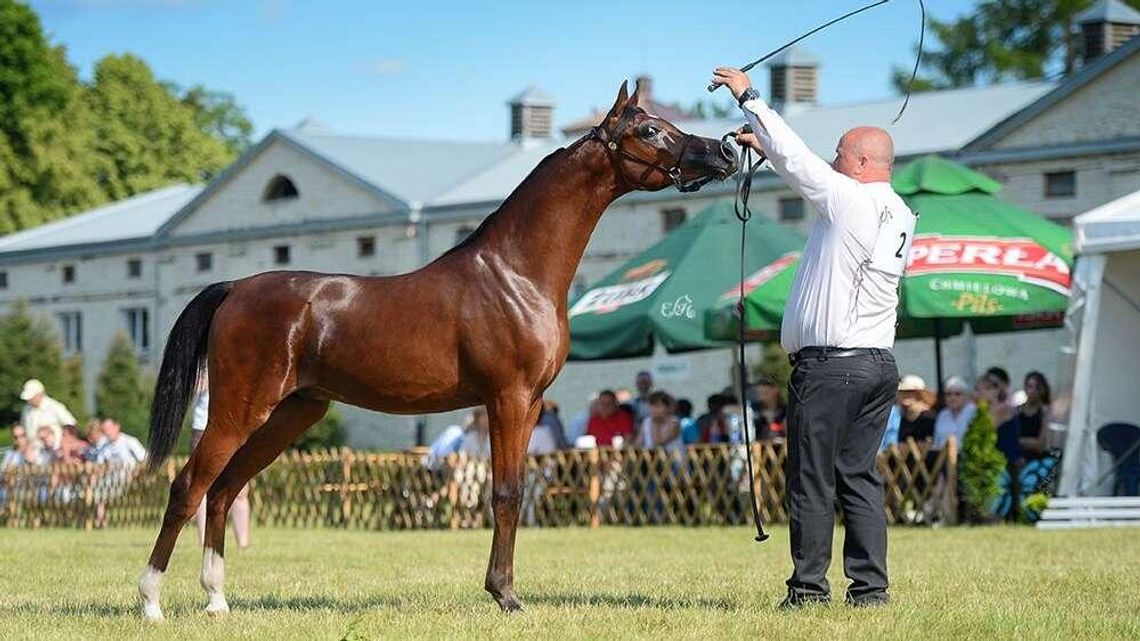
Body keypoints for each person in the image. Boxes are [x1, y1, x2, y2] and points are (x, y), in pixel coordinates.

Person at [712, 65, 912, 609]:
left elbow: (804, 165)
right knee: (859, 478)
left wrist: (749, 96)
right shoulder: (896, 211)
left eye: (842, 155)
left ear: (864, 164)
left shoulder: (849, 199)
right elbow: (803, 169)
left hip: (832, 368)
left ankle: (808, 590)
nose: (834, 161)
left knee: (811, 479)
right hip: (877, 363)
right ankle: (870, 591)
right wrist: (770, 150)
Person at [191, 371, 252, 549]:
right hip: (204, 426)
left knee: (240, 487)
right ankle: (204, 541)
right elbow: (192, 385)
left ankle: (244, 543)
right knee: (201, 487)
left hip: (236, 427)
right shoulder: (203, 357)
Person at [19, 379, 77, 453]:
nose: (29, 400)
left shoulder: (55, 407)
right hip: (34, 452)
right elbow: (24, 428)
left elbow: (71, 426)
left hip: (55, 451)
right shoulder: (26, 409)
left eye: (32, 397)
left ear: (40, 394)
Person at [932, 377, 976, 452]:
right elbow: (936, 443)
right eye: (949, 394)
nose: (953, 398)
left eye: (957, 394)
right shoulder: (942, 415)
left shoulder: (974, 412)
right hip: (943, 459)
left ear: (966, 396)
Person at [1017, 371, 1051, 460]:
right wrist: (1030, 441)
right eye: (1029, 386)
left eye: (1037, 388)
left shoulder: (1044, 412)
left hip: (1035, 461)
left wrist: (1019, 441)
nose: (1032, 391)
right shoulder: (1017, 410)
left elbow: (1040, 445)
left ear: (1042, 390)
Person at [897, 375, 936, 446]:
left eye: (910, 392)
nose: (904, 395)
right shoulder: (902, 416)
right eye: (901, 392)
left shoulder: (928, 417)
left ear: (920, 394)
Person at [753, 376, 788, 441]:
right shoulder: (755, 411)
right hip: (760, 448)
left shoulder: (785, 411)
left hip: (783, 447)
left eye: (765, 393)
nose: (762, 398)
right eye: (760, 394)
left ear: (775, 391)